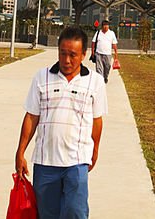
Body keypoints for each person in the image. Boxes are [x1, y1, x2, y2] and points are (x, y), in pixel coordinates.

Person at [15, 26, 107, 219]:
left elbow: (97, 120)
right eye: (62, 53)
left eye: (72, 55)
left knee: (76, 211)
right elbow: (32, 116)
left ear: (83, 54)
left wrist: (95, 149)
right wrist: (21, 151)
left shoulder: (95, 82)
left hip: (77, 160)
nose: (66, 60)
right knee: (47, 214)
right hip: (45, 161)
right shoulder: (42, 76)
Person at [90, 19, 119, 83]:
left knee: (107, 67)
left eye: (107, 25)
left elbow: (114, 44)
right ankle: (100, 80)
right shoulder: (98, 33)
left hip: (108, 54)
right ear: (102, 26)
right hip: (98, 53)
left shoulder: (111, 33)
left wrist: (116, 54)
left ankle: (105, 77)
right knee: (99, 68)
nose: (106, 27)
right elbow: (93, 42)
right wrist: (92, 52)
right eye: (104, 25)